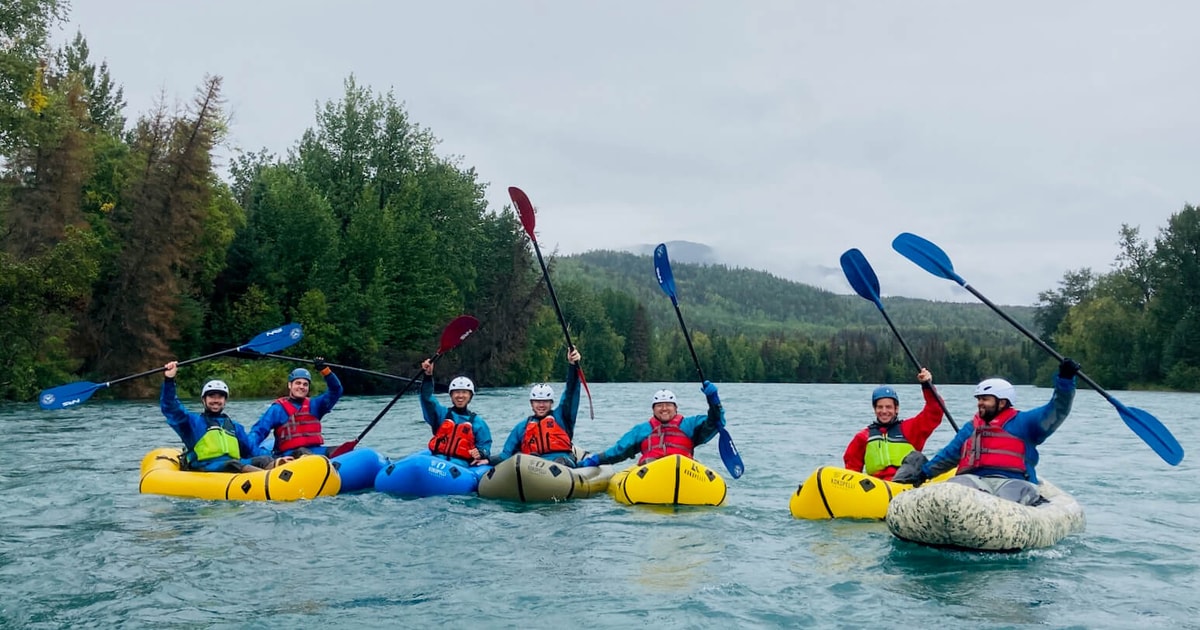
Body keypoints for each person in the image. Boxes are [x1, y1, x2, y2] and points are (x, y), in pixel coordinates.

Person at [892, 358, 1080, 505]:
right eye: (979, 399)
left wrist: (1065, 380)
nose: (980, 403)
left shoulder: (1026, 422)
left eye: (985, 399)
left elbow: (1057, 410)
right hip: (974, 480)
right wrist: (923, 473)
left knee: (1011, 494)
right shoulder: (971, 427)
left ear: (1002, 402)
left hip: (1013, 482)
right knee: (955, 488)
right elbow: (948, 455)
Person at [160, 361, 289, 472]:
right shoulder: (192, 423)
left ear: (225, 400)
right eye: (211, 396)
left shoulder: (234, 427)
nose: (216, 400)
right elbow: (171, 407)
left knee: (264, 459)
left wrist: (277, 458)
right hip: (206, 466)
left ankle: (279, 478)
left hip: (235, 465)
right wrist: (169, 380)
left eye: (220, 397)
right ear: (203, 400)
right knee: (233, 464)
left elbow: (251, 449)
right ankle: (266, 481)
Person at [578, 381, 725, 468]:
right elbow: (619, 450)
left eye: (668, 405)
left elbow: (716, 422)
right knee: (648, 461)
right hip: (651, 470)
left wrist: (714, 401)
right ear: (653, 409)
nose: (664, 408)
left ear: (676, 408)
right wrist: (596, 459)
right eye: (659, 405)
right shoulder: (642, 430)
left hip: (683, 468)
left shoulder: (690, 424)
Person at [842, 368, 944, 481]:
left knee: (917, 458)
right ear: (874, 409)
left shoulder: (910, 429)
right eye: (880, 407)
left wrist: (927, 386)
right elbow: (851, 471)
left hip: (906, 485)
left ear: (896, 409)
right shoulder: (863, 437)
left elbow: (935, 411)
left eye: (889, 407)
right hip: (878, 488)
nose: (884, 411)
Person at [492, 348, 583, 467]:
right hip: (533, 466)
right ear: (531, 404)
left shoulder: (562, 417)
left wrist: (573, 366)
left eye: (545, 401)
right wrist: (486, 459)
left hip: (561, 462)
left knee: (559, 462)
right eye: (537, 402)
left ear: (551, 403)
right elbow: (505, 455)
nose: (541, 405)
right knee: (528, 460)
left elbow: (570, 392)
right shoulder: (522, 427)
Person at [248, 358, 342, 458]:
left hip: (316, 451)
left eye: (305, 384)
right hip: (289, 455)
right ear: (290, 385)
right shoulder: (277, 409)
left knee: (338, 450)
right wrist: (253, 451)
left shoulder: (315, 405)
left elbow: (336, 390)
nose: (301, 387)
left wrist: (325, 371)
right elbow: (258, 431)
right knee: (303, 452)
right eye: (298, 383)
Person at [419, 359, 492, 466]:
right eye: (456, 392)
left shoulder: (478, 423)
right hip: (437, 461)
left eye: (464, 392)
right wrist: (428, 376)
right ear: (451, 395)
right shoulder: (442, 413)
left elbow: (485, 447)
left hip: (461, 468)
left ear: (470, 396)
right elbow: (426, 398)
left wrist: (480, 453)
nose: (460, 396)